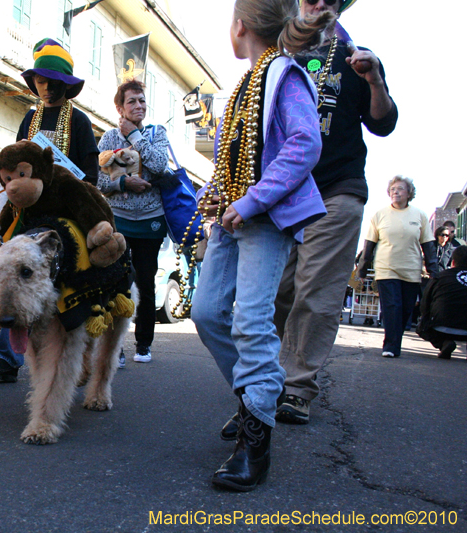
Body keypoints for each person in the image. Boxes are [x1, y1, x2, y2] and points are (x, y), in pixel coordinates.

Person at [191, 0, 331, 491]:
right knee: (207, 311)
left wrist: (251, 201)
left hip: (264, 218)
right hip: (232, 219)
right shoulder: (246, 85)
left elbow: (304, 144)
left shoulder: (285, 75)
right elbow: (237, 154)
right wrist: (217, 193)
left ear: (240, 26)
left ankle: (256, 441)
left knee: (252, 321)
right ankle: (254, 396)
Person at [266, 0, 399, 427]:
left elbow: (383, 122)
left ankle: (297, 386)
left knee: (315, 292)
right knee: (276, 291)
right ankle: (269, 376)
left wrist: (375, 80)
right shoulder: (279, 53)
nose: (320, 3)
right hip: (285, 192)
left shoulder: (358, 57)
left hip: (337, 190)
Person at [0, 38, 99, 383]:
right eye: (40, 82)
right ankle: (7, 357)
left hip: (68, 214)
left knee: (87, 274)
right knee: (11, 276)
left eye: (51, 82)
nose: (44, 88)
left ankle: (87, 343)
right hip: (28, 215)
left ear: (65, 85)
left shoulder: (80, 122)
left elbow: (91, 176)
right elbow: (12, 165)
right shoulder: (29, 118)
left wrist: (64, 181)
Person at [96, 79, 169, 366]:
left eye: (141, 100)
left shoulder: (156, 133)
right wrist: (124, 181)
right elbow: (100, 180)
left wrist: (137, 136)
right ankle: (117, 348)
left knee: (146, 282)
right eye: (132, 101)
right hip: (120, 221)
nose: (138, 106)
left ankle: (143, 345)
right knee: (117, 282)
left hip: (151, 221)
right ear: (119, 107)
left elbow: (160, 164)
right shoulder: (109, 139)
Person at [357, 176, 437, 359]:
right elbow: (369, 243)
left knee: (406, 309)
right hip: (386, 268)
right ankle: (391, 346)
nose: (395, 192)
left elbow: (428, 244)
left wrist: (433, 269)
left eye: (400, 189)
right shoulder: (379, 215)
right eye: (392, 189)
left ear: (409, 193)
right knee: (392, 306)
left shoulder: (419, 215)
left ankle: (395, 341)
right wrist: (362, 268)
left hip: (411, 269)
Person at [417, 245, 467, 359]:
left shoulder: (440, 276)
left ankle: (443, 343)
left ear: (453, 262)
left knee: (422, 327)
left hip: (441, 326)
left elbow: (425, 302)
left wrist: (426, 318)